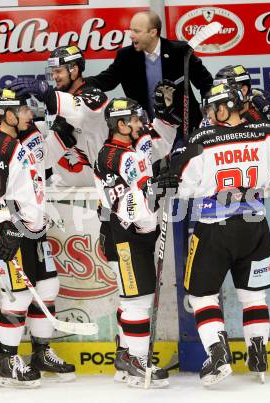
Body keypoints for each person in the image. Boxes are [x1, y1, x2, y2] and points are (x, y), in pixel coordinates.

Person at [171, 83, 270, 386]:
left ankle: (218, 356)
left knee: (202, 296)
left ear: (222, 108)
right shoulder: (263, 133)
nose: (208, 114)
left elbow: (185, 187)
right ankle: (258, 355)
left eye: (211, 108)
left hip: (214, 229)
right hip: (255, 227)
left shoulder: (202, 140)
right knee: (254, 295)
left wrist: (179, 155)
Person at [0, 87, 74, 387]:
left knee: (47, 287)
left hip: (32, 230)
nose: (30, 115)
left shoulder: (17, 142)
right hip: (9, 231)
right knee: (17, 297)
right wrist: (3, 227)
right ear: (8, 115)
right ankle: (8, 361)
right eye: (23, 111)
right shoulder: (0, 145)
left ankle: (41, 352)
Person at [94, 96, 180, 388]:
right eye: (133, 119)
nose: (139, 123)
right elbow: (129, 204)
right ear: (120, 124)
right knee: (137, 300)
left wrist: (166, 115)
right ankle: (136, 360)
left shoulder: (129, 147)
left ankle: (125, 356)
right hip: (126, 235)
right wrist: (158, 189)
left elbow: (158, 145)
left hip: (136, 232)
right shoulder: (114, 156)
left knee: (134, 299)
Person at [86, 10, 213, 129]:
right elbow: (106, 80)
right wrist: (79, 84)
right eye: (131, 30)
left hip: (184, 126)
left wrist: (210, 110)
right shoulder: (126, 56)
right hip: (145, 128)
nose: (131, 35)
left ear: (153, 32)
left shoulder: (180, 51)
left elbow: (205, 83)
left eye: (136, 31)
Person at [8, 45, 109, 186]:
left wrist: (46, 93)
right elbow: (50, 139)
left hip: (97, 187)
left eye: (58, 71)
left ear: (74, 70)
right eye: (52, 72)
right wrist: (22, 126)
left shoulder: (96, 97)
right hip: (63, 187)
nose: (54, 76)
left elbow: (77, 113)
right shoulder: (54, 98)